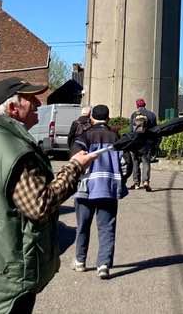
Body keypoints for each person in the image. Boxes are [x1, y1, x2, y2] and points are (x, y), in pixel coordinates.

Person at [0, 77, 99, 314]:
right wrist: (75, 168)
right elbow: (39, 205)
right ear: (13, 108)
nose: (39, 104)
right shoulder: (15, 152)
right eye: (31, 99)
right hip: (6, 284)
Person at [69, 105, 127, 279]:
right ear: (108, 118)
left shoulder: (84, 136)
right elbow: (125, 163)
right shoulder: (116, 137)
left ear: (91, 118)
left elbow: (75, 159)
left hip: (85, 188)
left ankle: (80, 261)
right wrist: (120, 180)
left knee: (83, 226)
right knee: (107, 227)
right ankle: (103, 265)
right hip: (108, 188)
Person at [128, 98, 158, 191]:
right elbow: (155, 130)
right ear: (145, 105)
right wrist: (154, 143)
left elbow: (131, 131)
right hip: (147, 143)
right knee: (146, 162)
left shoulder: (134, 115)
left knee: (135, 162)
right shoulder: (152, 115)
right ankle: (146, 181)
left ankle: (136, 183)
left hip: (136, 143)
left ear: (137, 106)